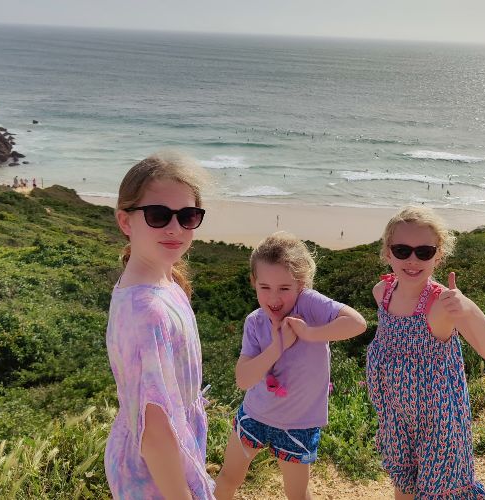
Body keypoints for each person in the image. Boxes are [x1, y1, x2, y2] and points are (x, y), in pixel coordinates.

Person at [366, 206, 485, 499]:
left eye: (424, 252)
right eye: (402, 250)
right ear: (387, 253)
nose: (412, 260)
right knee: (404, 481)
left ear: (438, 255)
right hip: (396, 412)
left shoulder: (441, 304)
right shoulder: (383, 292)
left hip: (437, 418)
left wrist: (468, 308)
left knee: (440, 491)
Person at [215, 232, 367, 500]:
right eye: (265, 287)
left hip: (298, 424)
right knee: (227, 479)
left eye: (284, 288)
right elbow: (243, 380)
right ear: (253, 282)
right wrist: (277, 347)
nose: (274, 298)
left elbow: (357, 324)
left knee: (297, 495)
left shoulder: (310, 305)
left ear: (301, 284)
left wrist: (309, 333)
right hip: (254, 415)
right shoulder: (255, 322)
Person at [105, 152, 214, 498]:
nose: (174, 228)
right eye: (158, 215)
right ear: (126, 221)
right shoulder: (148, 312)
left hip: (155, 459)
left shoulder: (160, 280)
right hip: (156, 475)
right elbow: (155, 434)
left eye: (188, 216)